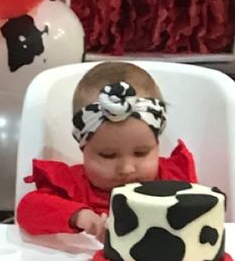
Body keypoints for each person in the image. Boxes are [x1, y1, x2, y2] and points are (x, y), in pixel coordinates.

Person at [16, 61, 197, 241]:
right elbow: (27, 210)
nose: (126, 169)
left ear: (157, 144)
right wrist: (80, 217)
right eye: (108, 155)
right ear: (83, 146)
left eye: (141, 153)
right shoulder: (73, 187)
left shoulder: (175, 180)